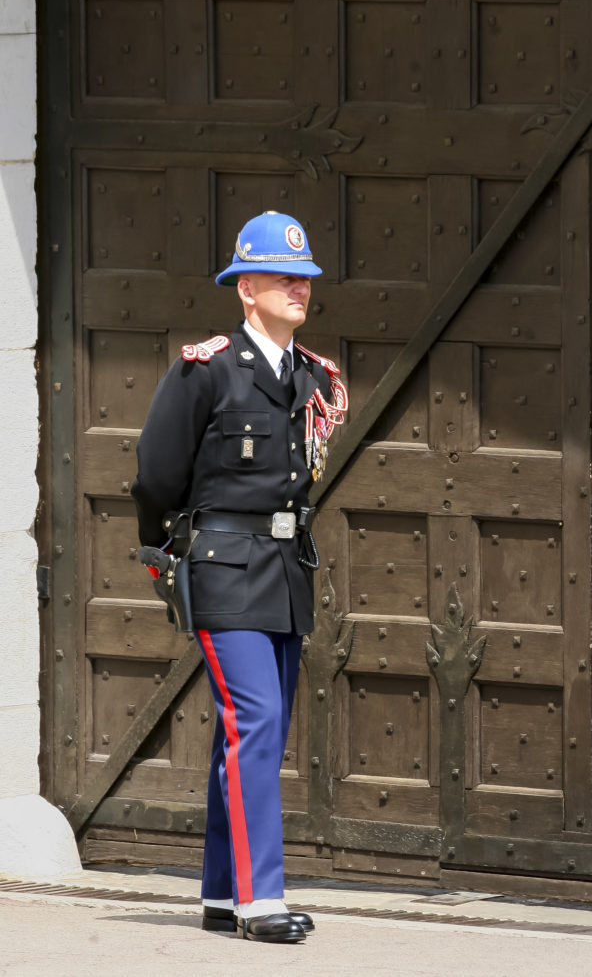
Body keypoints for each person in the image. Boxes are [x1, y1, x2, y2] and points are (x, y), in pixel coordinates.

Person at [131, 211, 348, 944]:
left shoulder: (310, 375)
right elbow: (156, 474)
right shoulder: (210, 368)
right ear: (246, 288)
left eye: (307, 277)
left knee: (257, 731)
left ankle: (224, 895)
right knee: (254, 722)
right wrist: (163, 553)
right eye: (285, 277)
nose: (300, 288)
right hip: (224, 571)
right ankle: (263, 902)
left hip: (284, 572)